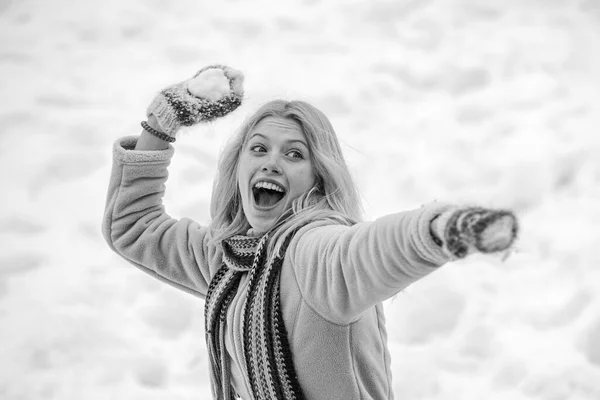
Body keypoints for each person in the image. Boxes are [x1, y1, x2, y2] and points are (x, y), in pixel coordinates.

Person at [102, 64, 518, 400]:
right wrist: (160, 127)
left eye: (294, 154)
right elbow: (133, 227)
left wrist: (443, 227)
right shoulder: (227, 259)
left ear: (318, 179)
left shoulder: (314, 255)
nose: (270, 163)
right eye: (259, 148)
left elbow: (374, 248)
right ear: (238, 166)